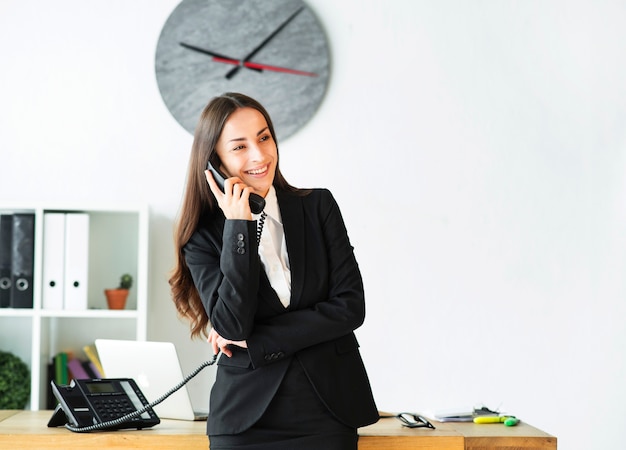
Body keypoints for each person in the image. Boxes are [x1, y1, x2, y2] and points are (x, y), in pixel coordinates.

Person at [169, 92, 378, 449]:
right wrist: (240, 227)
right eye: (239, 147)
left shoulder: (318, 207)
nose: (259, 155)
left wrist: (258, 341)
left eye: (264, 137)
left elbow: (349, 307)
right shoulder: (202, 238)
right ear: (214, 164)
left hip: (326, 412)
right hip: (244, 419)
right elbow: (232, 325)